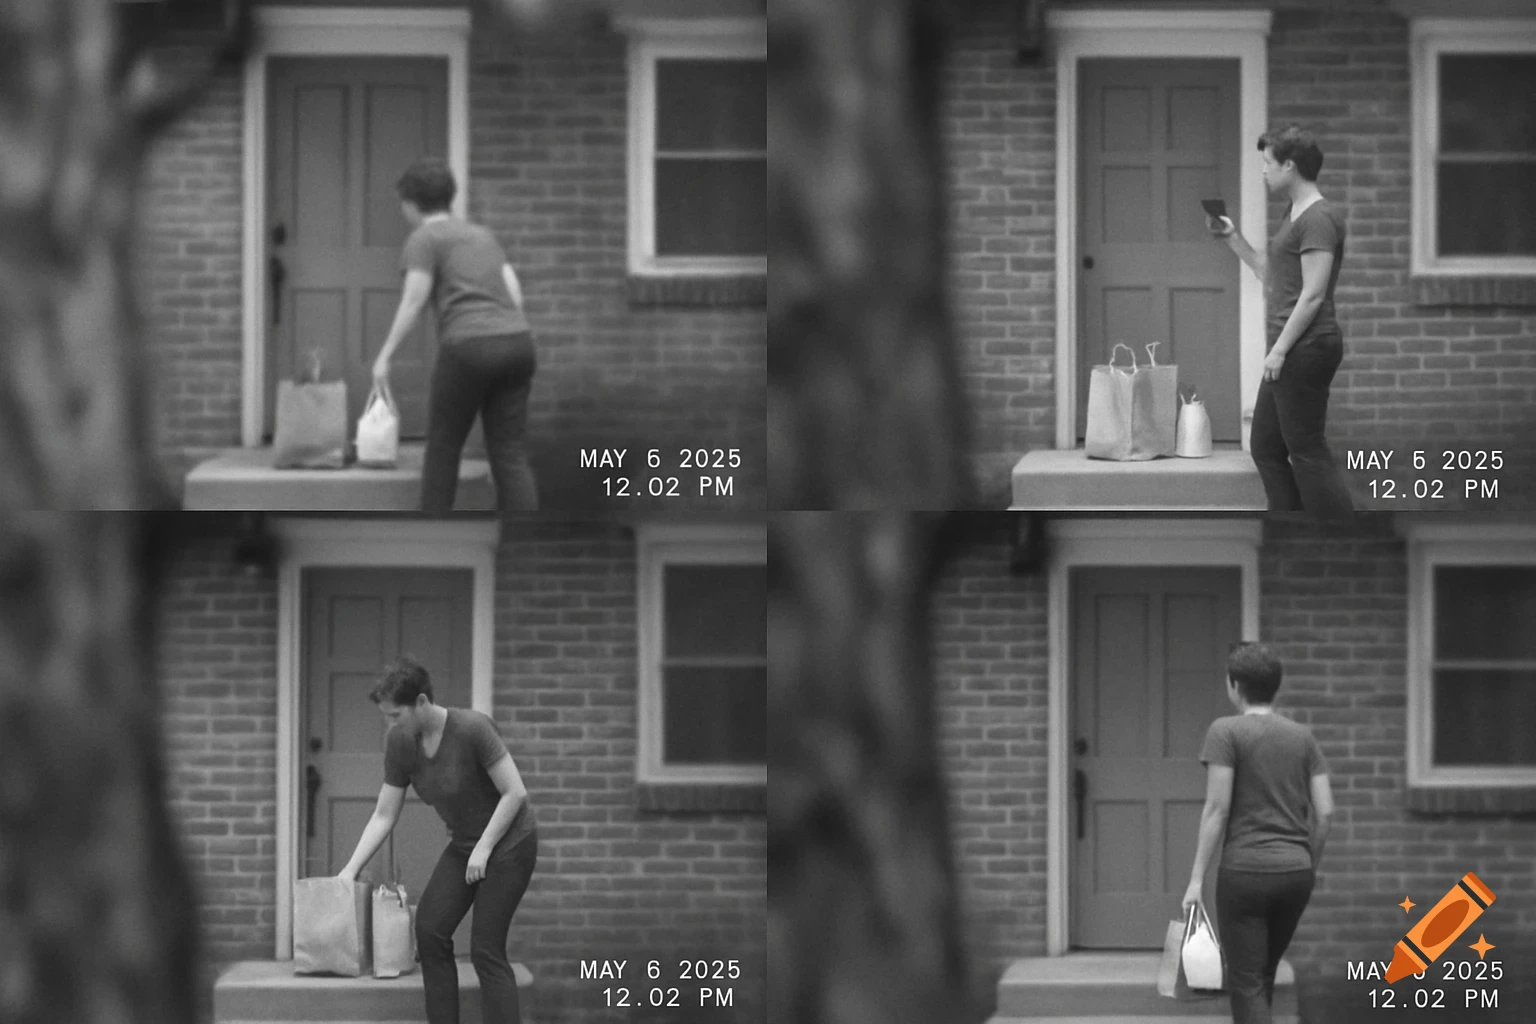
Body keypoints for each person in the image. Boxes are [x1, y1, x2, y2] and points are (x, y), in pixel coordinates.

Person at [338, 658, 538, 1024]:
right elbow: (385, 814)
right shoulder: (400, 741)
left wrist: (485, 847)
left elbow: (515, 793)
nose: (390, 724)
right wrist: (350, 870)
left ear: (422, 703)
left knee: (485, 950)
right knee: (430, 930)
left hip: (510, 843)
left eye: (396, 714)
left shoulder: (473, 729)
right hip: (465, 845)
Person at [373, 158, 539, 512]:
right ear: (449, 198)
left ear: (410, 203)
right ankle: (528, 530)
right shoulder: (483, 236)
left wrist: (384, 355)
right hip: (517, 343)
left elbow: (414, 300)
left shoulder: (424, 239)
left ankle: (433, 531)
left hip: (469, 346)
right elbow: (515, 294)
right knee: (508, 450)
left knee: (444, 446)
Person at [1207, 125, 1355, 518]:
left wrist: (1279, 350)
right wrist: (1232, 237)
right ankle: (1290, 521)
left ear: (1289, 166)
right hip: (1292, 348)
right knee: (1267, 448)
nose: (1263, 172)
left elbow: (1313, 294)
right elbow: (1269, 273)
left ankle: (1341, 530)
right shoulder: (1294, 214)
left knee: (1306, 450)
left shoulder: (1319, 218)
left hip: (1306, 346)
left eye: (1267, 164)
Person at [1183, 642, 1334, 1024]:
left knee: (1246, 980)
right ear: (1275, 686)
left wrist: (1196, 879)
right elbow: (1327, 811)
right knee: (1263, 973)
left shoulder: (1225, 732)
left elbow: (1217, 809)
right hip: (1295, 874)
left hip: (1245, 874)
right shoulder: (1303, 738)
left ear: (1235, 685)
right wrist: (1307, 865)